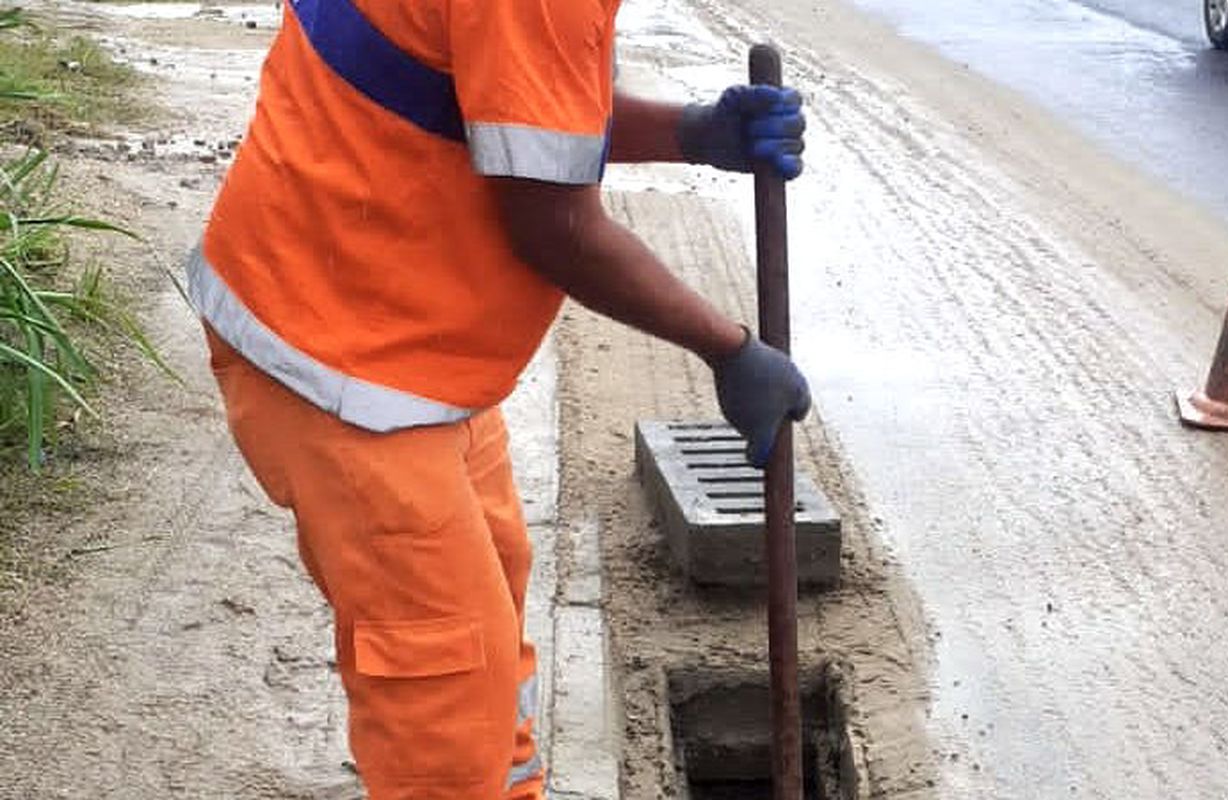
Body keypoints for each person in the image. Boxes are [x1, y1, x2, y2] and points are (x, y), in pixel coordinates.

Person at [187, 0, 811, 796]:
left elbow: (510, 110)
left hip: (407, 338)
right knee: (444, 680)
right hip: (340, 362)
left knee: (493, 604)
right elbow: (552, 224)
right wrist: (728, 351)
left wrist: (688, 132)